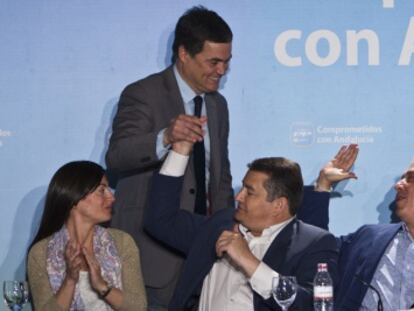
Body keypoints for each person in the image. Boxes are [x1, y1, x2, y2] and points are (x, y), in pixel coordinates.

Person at [105, 6, 234, 308]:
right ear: (184, 53)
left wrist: (227, 232)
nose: (221, 71)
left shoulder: (218, 105)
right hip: (152, 256)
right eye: (213, 61)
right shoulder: (142, 94)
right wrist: (164, 137)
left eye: (227, 62)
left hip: (205, 256)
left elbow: (220, 176)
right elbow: (117, 157)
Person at [144, 140, 341, 311]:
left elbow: (311, 306)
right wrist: (179, 151)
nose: (238, 197)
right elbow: (161, 220)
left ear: (278, 205)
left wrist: (249, 262)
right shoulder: (220, 224)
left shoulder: (313, 244)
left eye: (250, 192)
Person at [27, 161, 147, 311]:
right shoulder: (41, 252)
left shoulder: (122, 242)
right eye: (102, 190)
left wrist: (103, 287)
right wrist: (70, 281)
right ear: (74, 198)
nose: (112, 197)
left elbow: (139, 308)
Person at [309, 144, 414, 311]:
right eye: (403, 177)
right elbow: (314, 247)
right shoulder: (370, 237)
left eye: (411, 178)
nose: (398, 185)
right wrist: (323, 184)